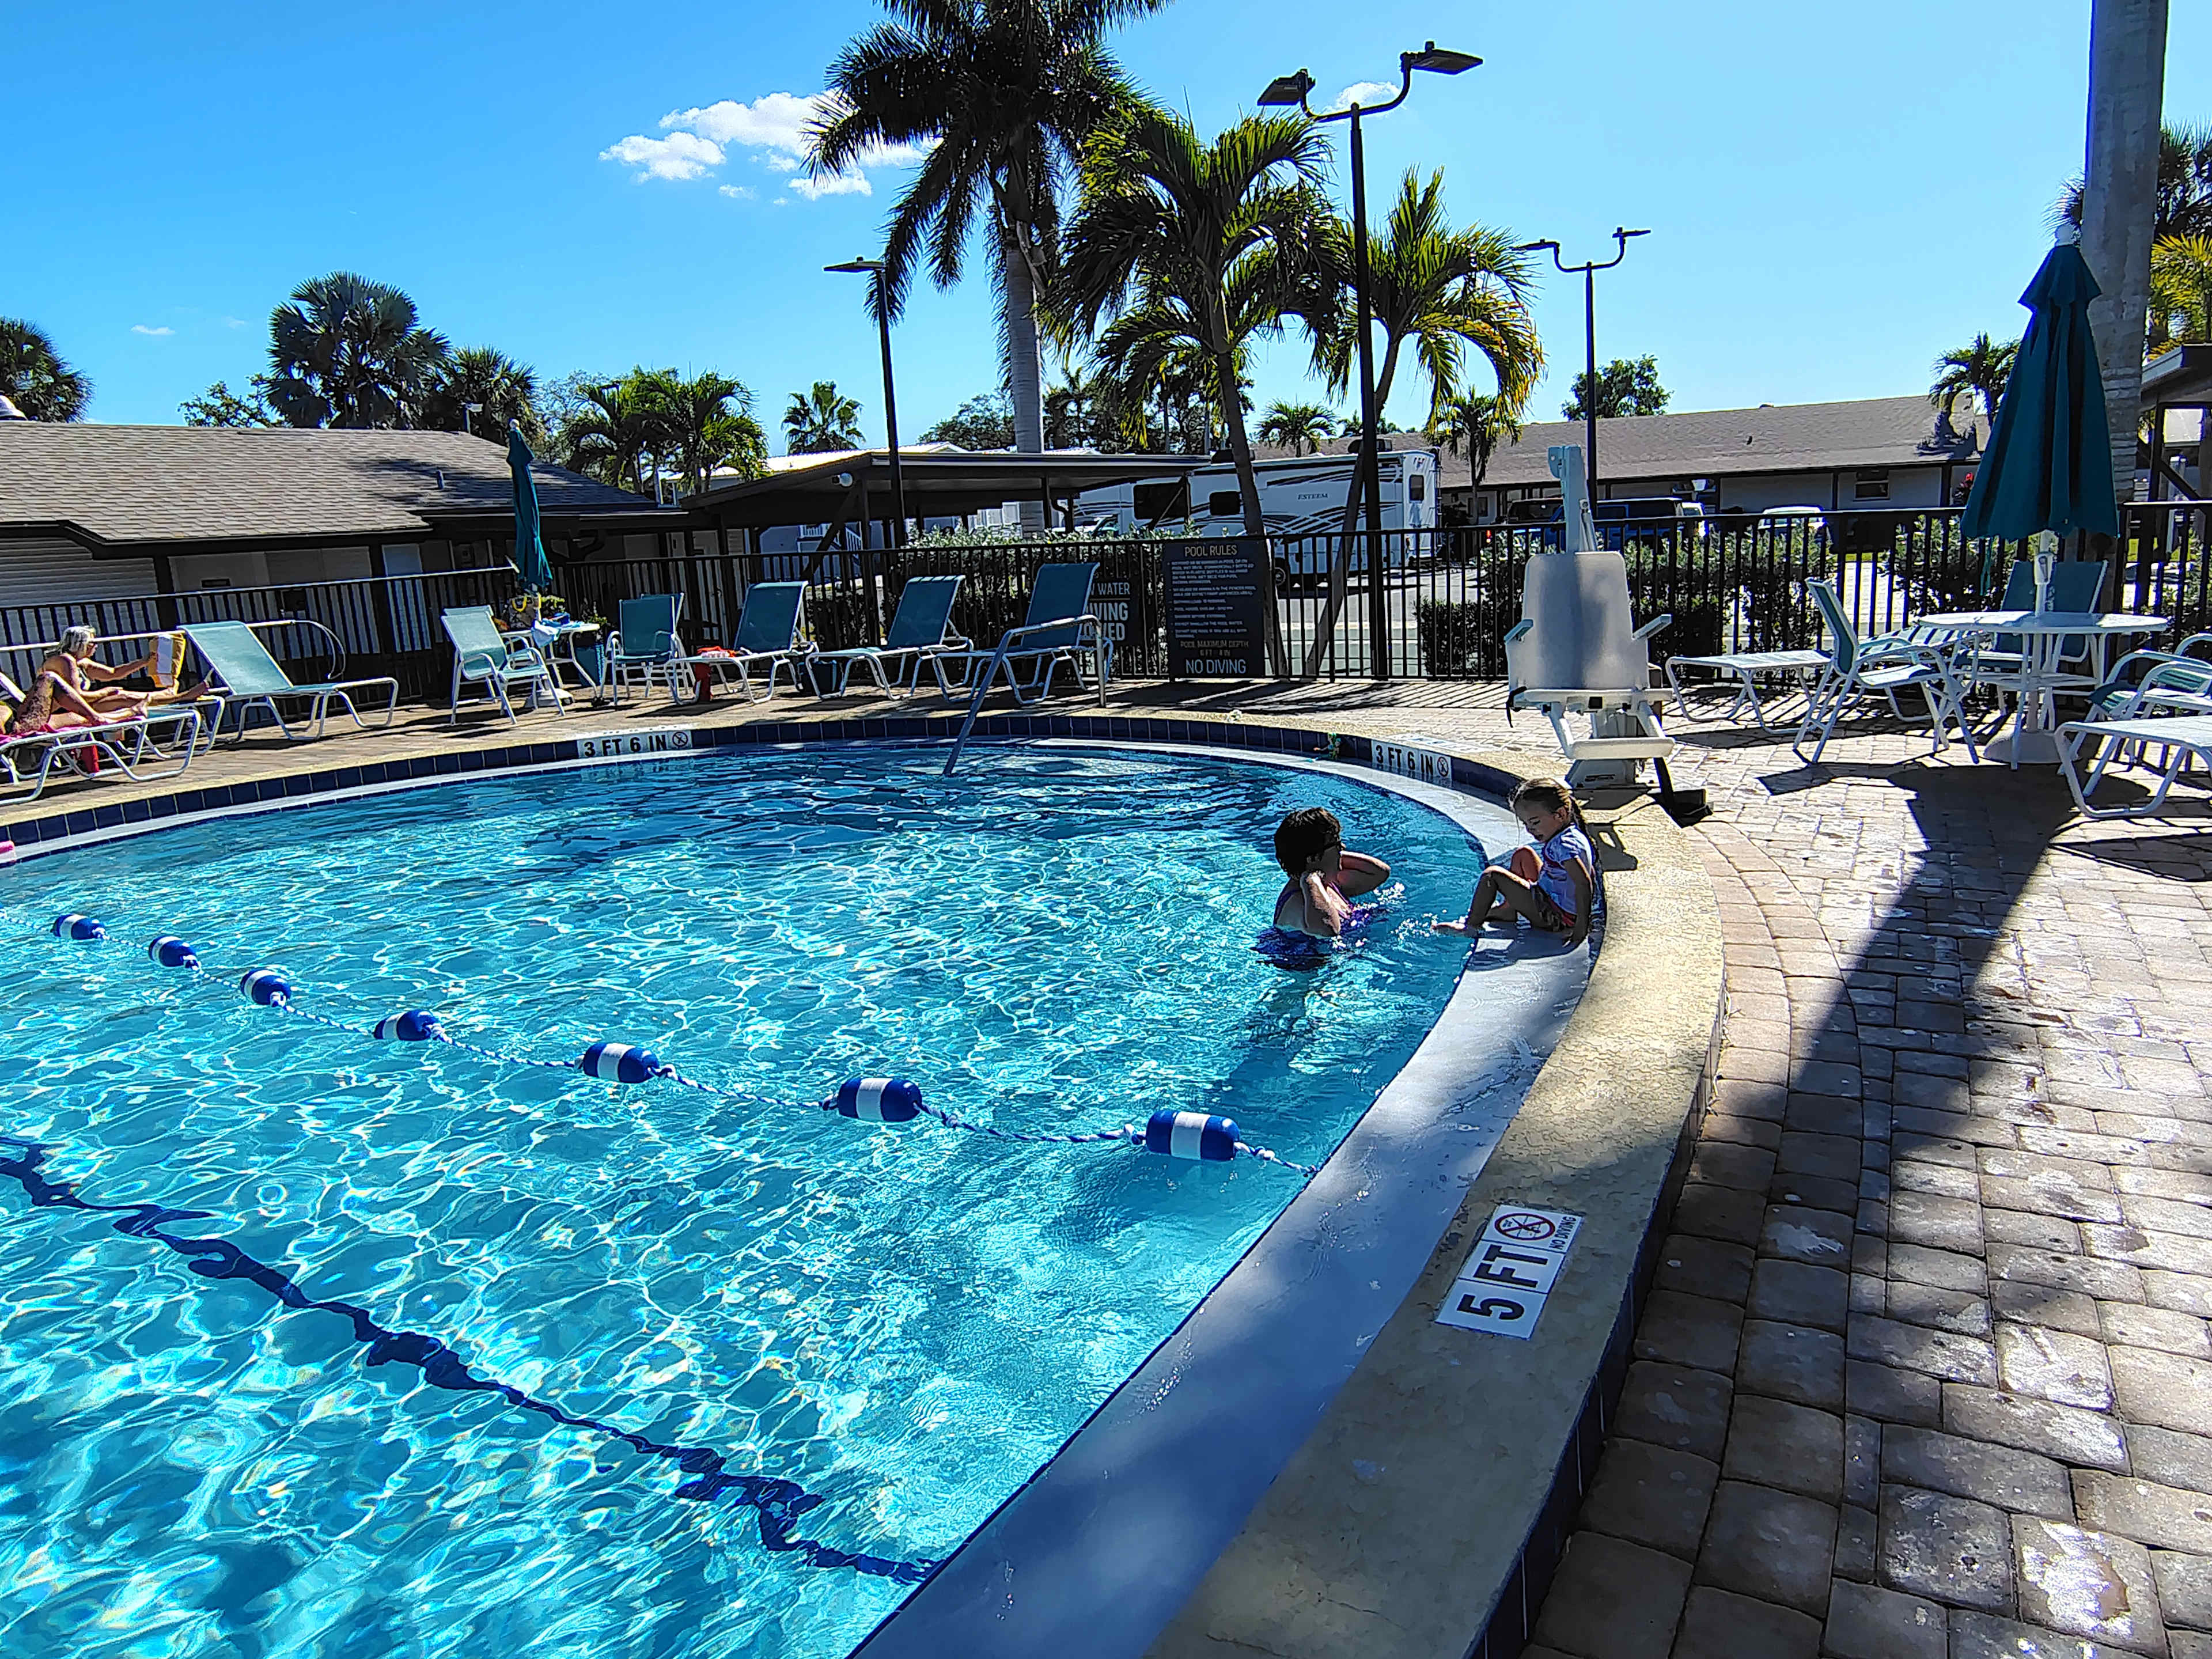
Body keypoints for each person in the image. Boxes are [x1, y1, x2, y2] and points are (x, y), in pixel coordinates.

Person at [1435, 778, 1595, 947]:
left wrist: (1580, 930)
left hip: (1557, 917)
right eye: (1526, 824)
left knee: (1492, 875)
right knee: (1523, 854)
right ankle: (1508, 909)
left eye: (1535, 823)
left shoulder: (1564, 845)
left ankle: (1470, 927)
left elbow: (1584, 883)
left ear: (1560, 814)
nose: (1530, 830)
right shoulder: (1570, 834)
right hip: (1554, 899)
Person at [1271, 806, 1392, 939]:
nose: (1343, 847)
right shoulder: (1296, 902)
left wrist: (1328, 858)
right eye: (1337, 843)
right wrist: (1311, 880)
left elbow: (1380, 872)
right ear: (1313, 858)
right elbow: (1329, 929)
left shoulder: (1330, 884)